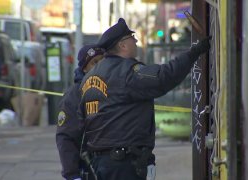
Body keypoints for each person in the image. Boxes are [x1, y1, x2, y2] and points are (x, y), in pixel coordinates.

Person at [78, 18, 211, 180]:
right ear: (122, 45)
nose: (136, 40)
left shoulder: (88, 79)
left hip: (99, 163)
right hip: (123, 164)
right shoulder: (127, 72)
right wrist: (193, 53)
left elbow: (80, 122)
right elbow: (163, 77)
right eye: (132, 38)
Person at [56, 44, 105, 180]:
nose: (100, 66)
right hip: (89, 168)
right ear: (84, 68)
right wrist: (72, 175)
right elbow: (66, 137)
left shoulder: (114, 88)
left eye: (103, 61)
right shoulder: (75, 95)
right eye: (95, 62)